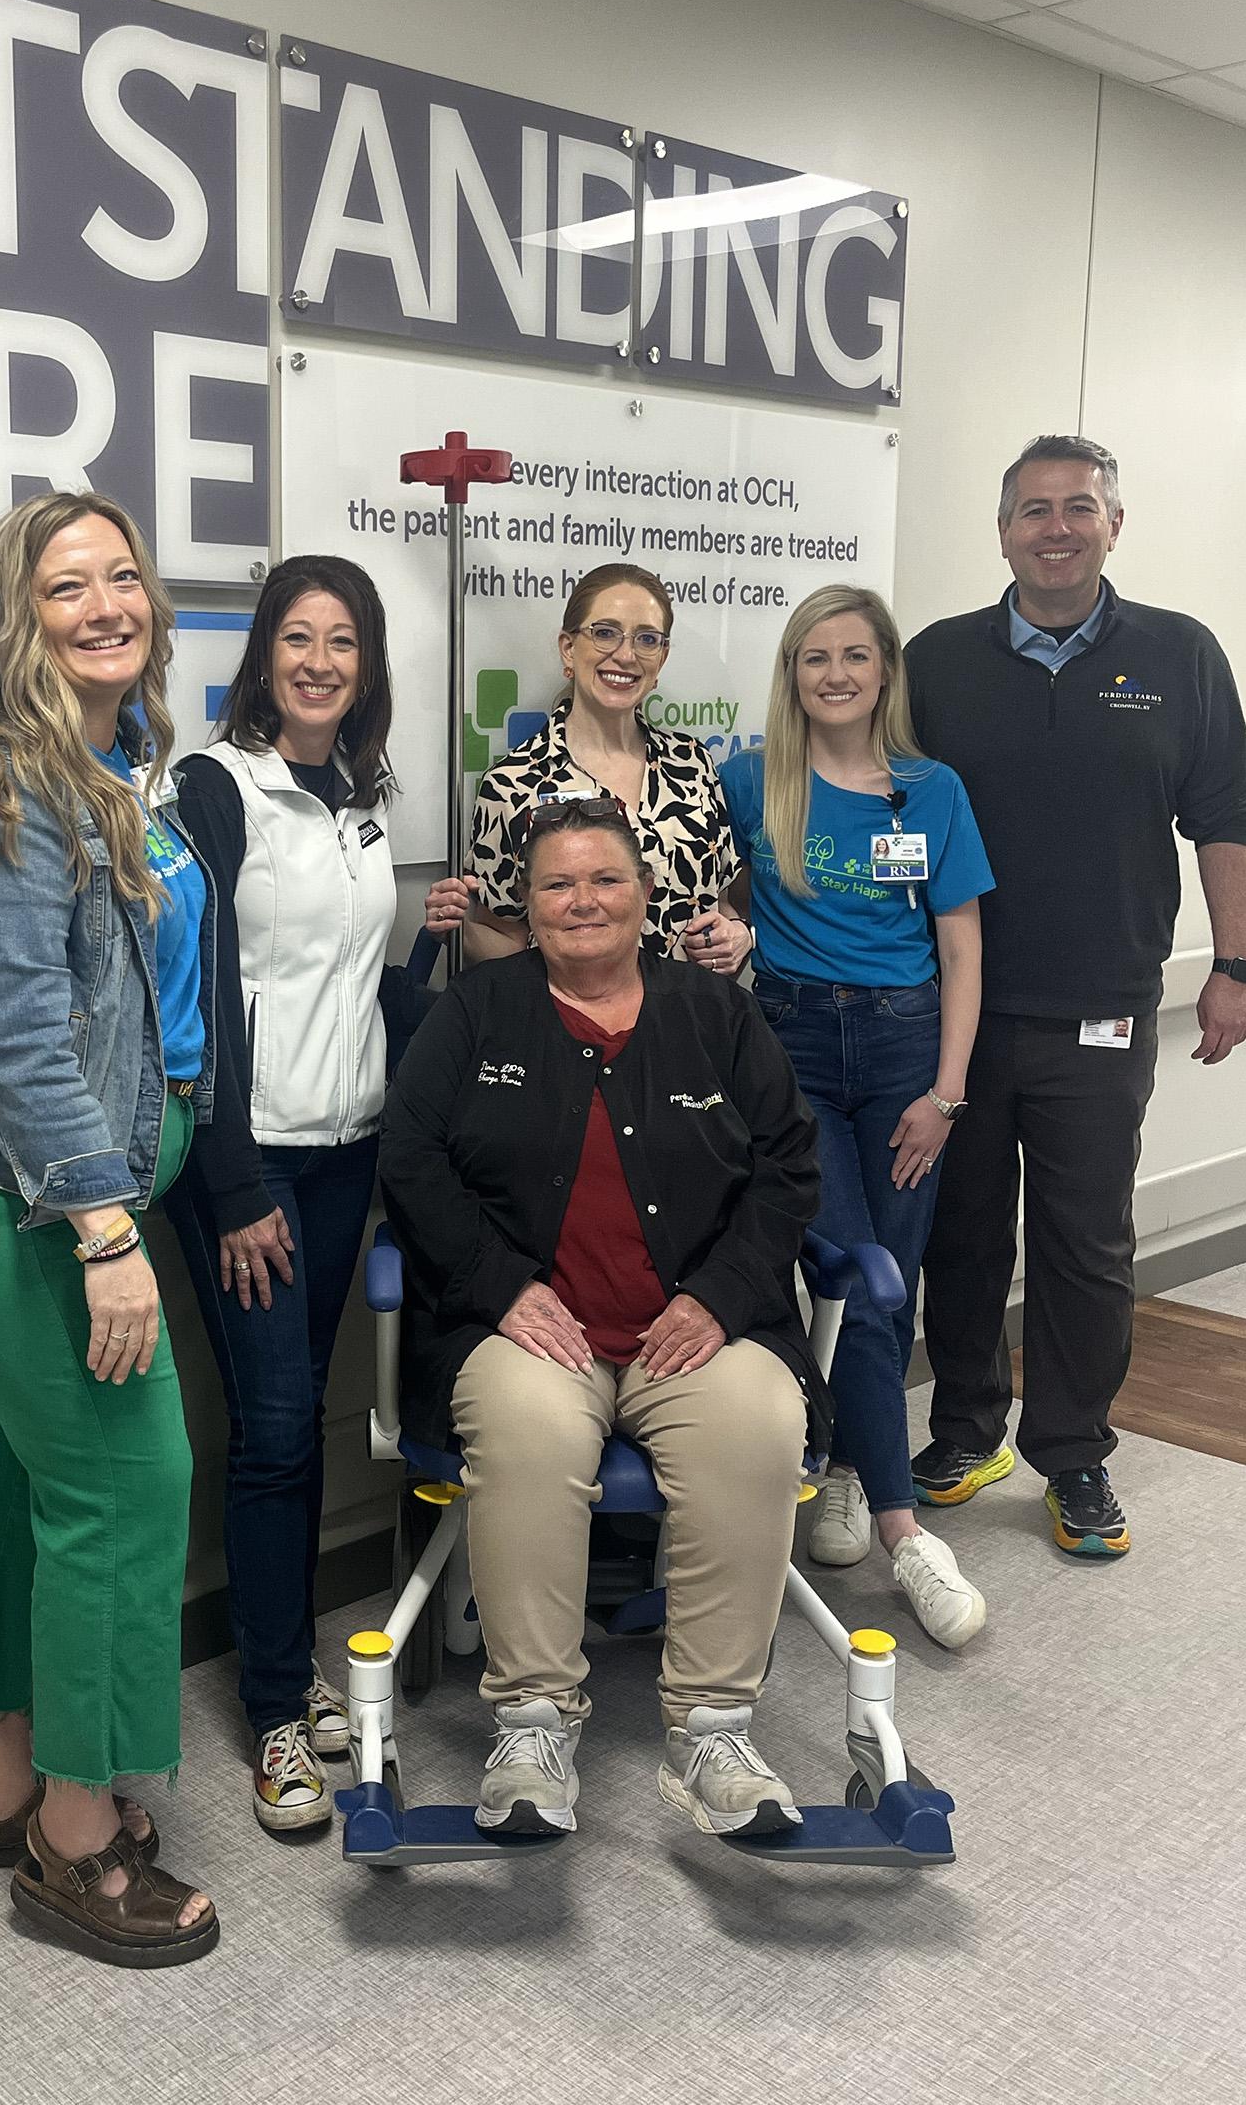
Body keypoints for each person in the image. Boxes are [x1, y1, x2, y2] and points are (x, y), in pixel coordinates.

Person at [0, 490, 220, 1967]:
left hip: (19, 1185)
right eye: (67, 586)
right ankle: (76, 1841)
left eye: (122, 576)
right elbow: (19, 1047)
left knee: (16, 1479)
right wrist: (108, 1237)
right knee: (128, 1482)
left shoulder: (117, 767)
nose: (106, 604)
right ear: (17, 619)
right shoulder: (4, 791)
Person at [381, 798, 827, 1841]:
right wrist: (500, 1285)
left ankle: (712, 1732)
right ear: (526, 905)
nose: (582, 901)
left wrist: (718, 1295)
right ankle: (532, 1725)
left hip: (696, 1328)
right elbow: (409, 1159)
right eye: (556, 884)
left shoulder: (716, 1016)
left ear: (645, 894)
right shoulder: (476, 1012)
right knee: (529, 1431)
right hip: (529, 1331)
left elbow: (789, 1167)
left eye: (604, 879)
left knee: (760, 1425)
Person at [905, 435, 1246, 1559]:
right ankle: (965, 1429)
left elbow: (1224, 815)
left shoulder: (1179, 654)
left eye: (1077, 507)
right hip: (956, 1013)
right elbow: (881, 803)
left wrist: (1235, 965)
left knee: (1085, 1245)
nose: (1054, 527)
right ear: (1002, 531)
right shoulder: (937, 660)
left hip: (1102, 1012)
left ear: (1113, 523)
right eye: (1033, 509)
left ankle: (1072, 1453)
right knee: (960, 1235)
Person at [163, 556, 399, 1836]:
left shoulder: (359, 794)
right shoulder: (210, 786)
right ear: (262, 656)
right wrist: (232, 1176)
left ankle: (290, 1665)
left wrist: (433, 946)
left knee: (297, 1417)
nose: (318, 662)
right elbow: (193, 990)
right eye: (297, 639)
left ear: (366, 667)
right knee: (269, 1426)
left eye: (342, 642)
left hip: (344, 1147)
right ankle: (270, 1710)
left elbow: (340, 983)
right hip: (244, 1160)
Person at [720, 586, 991, 1648]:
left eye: (854, 656)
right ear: (791, 675)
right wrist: (726, 935)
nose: (834, 674)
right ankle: (905, 1531)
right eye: (813, 657)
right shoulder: (753, 781)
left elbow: (961, 946)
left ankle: (843, 1461)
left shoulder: (931, 790)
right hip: (789, 1047)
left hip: (904, 1052)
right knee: (854, 1274)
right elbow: (722, 903)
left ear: (884, 671)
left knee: (892, 1276)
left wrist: (945, 1095)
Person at [424, 563, 750, 976]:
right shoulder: (512, 785)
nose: (626, 655)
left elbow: (721, 905)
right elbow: (505, 942)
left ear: (662, 657)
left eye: (647, 639)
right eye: (605, 632)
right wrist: (457, 930)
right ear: (568, 648)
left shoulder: (693, 764)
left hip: (692, 1008)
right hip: (565, 1013)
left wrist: (736, 935)